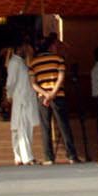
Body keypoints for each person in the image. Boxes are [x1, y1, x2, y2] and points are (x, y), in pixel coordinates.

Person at [30, 35, 82, 164]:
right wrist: (52, 93)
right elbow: (61, 78)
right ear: (52, 46)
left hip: (42, 97)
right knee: (64, 126)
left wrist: (46, 94)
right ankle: (71, 155)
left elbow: (33, 84)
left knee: (45, 127)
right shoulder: (58, 59)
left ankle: (48, 157)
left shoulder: (33, 62)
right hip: (58, 96)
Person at [3, 46, 37, 165]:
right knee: (21, 128)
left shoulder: (22, 62)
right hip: (20, 100)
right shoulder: (14, 62)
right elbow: (11, 81)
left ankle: (19, 156)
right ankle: (26, 157)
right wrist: (9, 96)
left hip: (26, 99)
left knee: (23, 128)